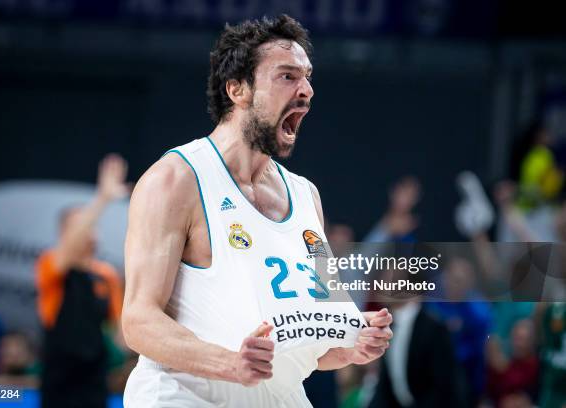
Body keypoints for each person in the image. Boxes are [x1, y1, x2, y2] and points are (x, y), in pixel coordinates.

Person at [123, 15, 392, 407]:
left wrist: (352, 343)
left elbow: (319, 339)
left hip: (277, 397)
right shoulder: (176, 179)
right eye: (288, 76)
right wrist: (231, 364)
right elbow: (138, 322)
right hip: (186, 394)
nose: (307, 90)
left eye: (308, 76)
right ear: (237, 90)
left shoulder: (305, 196)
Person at [35, 154, 126, 408]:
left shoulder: (107, 275)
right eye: (82, 225)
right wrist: (103, 197)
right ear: (65, 234)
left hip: (94, 381)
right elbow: (66, 254)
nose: (90, 230)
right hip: (59, 382)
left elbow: (120, 335)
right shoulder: (50, 265)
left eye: (92, 225)